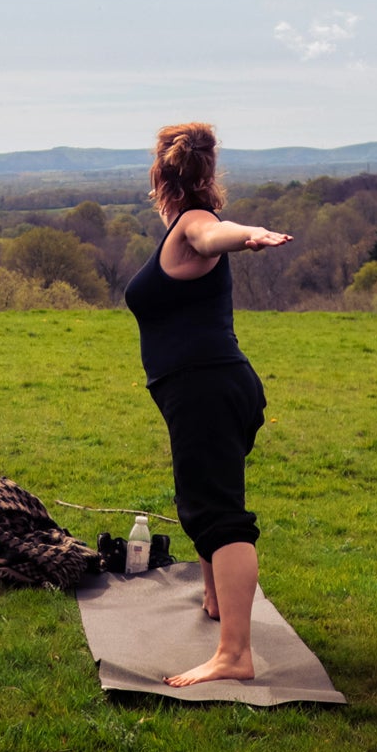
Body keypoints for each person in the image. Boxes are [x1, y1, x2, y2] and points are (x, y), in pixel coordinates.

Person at [122, 123, 293, 687]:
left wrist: (247, 236)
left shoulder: (195, 222)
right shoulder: (185, 224)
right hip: (215, 388)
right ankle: (218, 601)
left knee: (220, 516)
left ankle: (235, 656)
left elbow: (213, 236)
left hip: (207, 391)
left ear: (160, 178)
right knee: (202, 500)